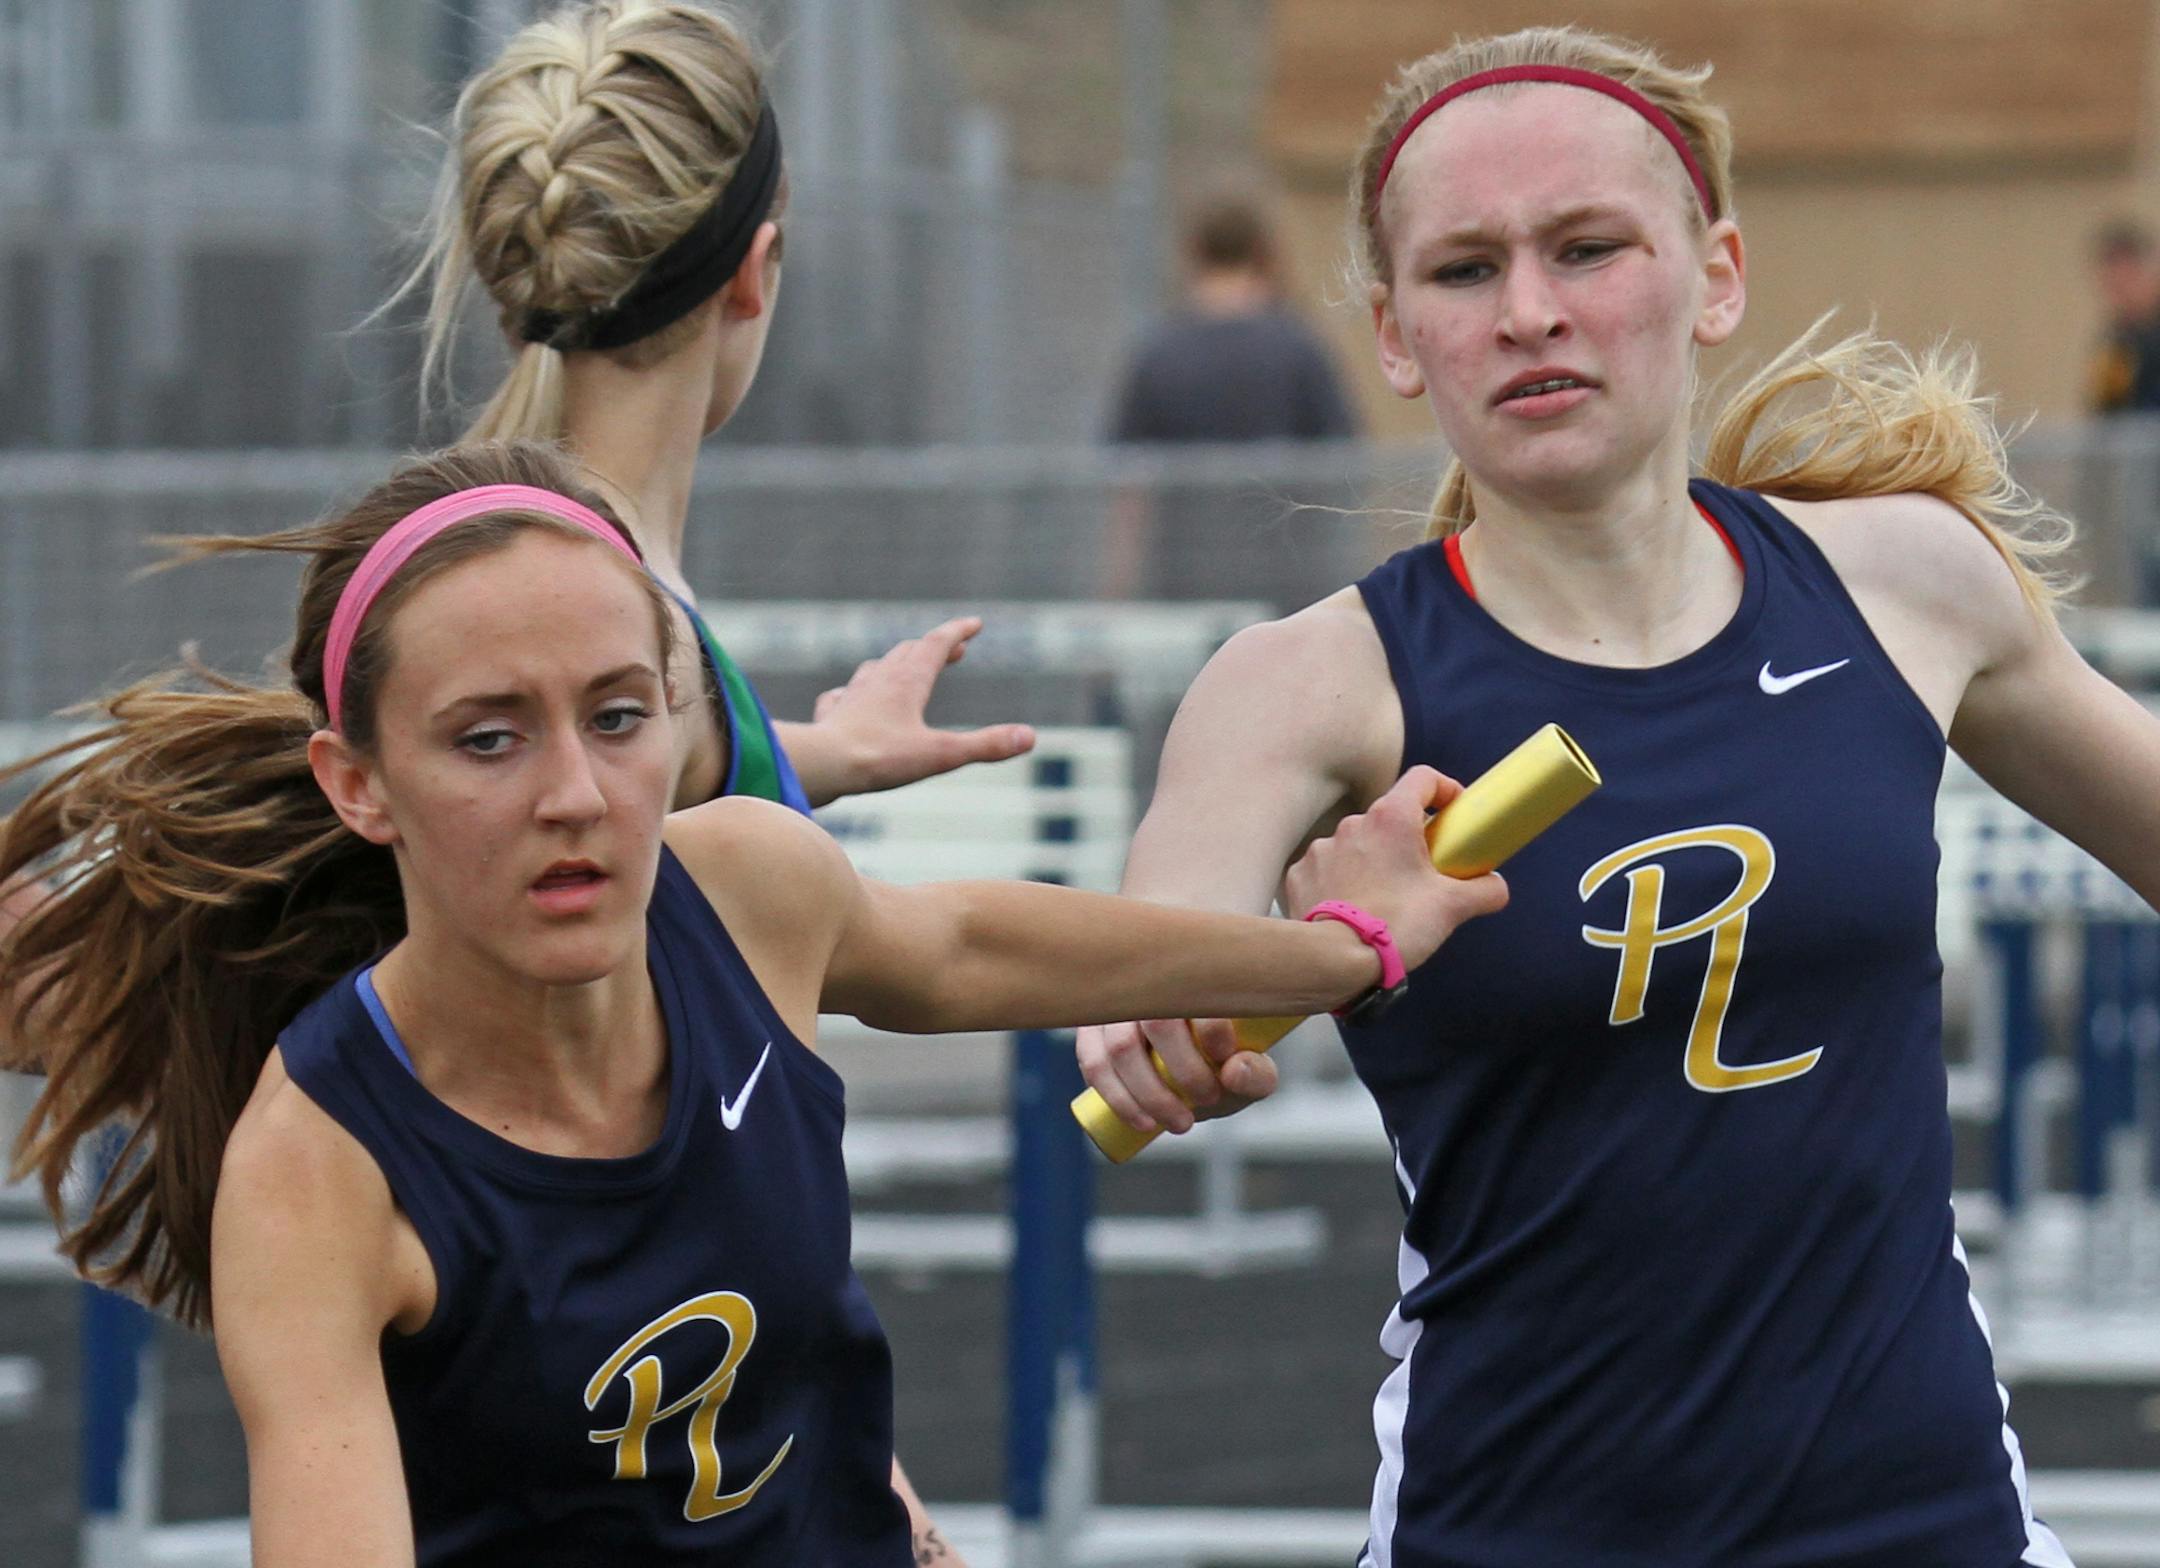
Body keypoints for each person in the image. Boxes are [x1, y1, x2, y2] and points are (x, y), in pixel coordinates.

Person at [0, 441, 1506, 1568]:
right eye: (486, 740)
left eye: (616, 716)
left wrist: (1340, 953)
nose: (577, 796)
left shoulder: (740, 896)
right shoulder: (321, 1174)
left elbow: (968, 947)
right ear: (358, 785)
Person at [1077, 26, 2160, 1568]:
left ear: (1714, 273)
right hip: (1515, 1529)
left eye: (1588, 249)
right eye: (1463, 272)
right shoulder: (1313, 685)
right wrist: (1262, 974)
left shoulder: (1907, 584)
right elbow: (1135, 994)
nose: (1531, 312)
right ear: (1393, 333)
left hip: (1926, 1529)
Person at [408, 0, 1030, 814]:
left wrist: (826, 753)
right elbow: (905, 938)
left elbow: (686, 747)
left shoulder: (552, 589)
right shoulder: (617, 628)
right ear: (753, 272)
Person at [1108, 192, 1361, 445]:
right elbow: (1341, 451)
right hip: (1277, 486)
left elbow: (1123, 466)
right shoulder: (1298, 344)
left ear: (1195, 250)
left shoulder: (1158, 353)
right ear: (1263, 251)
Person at [2086, 219, 2160, 415]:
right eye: (2112, 282)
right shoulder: (2116, 343)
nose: (2121, 290)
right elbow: (2106, 412)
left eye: (2129, 278)